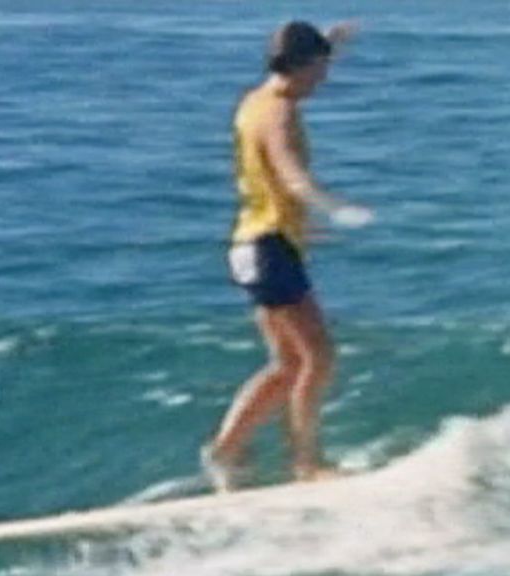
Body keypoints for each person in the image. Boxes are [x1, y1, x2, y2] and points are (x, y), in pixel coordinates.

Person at [202, 20, 374, 492]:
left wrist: (330, 43)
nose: (325, 79)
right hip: (270, 247)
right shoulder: (277, 114)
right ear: (300, 66)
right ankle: (306, 464)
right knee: (319, 356)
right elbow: (292, 174)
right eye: (321, 69)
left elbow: (271, 181)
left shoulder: (254, 100)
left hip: (251, 245)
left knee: (289, 365)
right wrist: (335, 208)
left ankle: (225, 450)